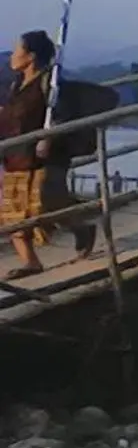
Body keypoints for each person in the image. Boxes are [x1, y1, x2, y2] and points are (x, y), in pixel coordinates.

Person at [3, 29, 85, 274]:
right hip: (16, 155)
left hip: (43, 157)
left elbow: (62, 114)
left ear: (30, 56)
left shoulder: (49, 83)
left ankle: (82, 229)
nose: (13, 56)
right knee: (12, 213)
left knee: (45, 207)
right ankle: (31, 262)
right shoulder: (16, 84)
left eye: (18, 50)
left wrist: (49, 136)